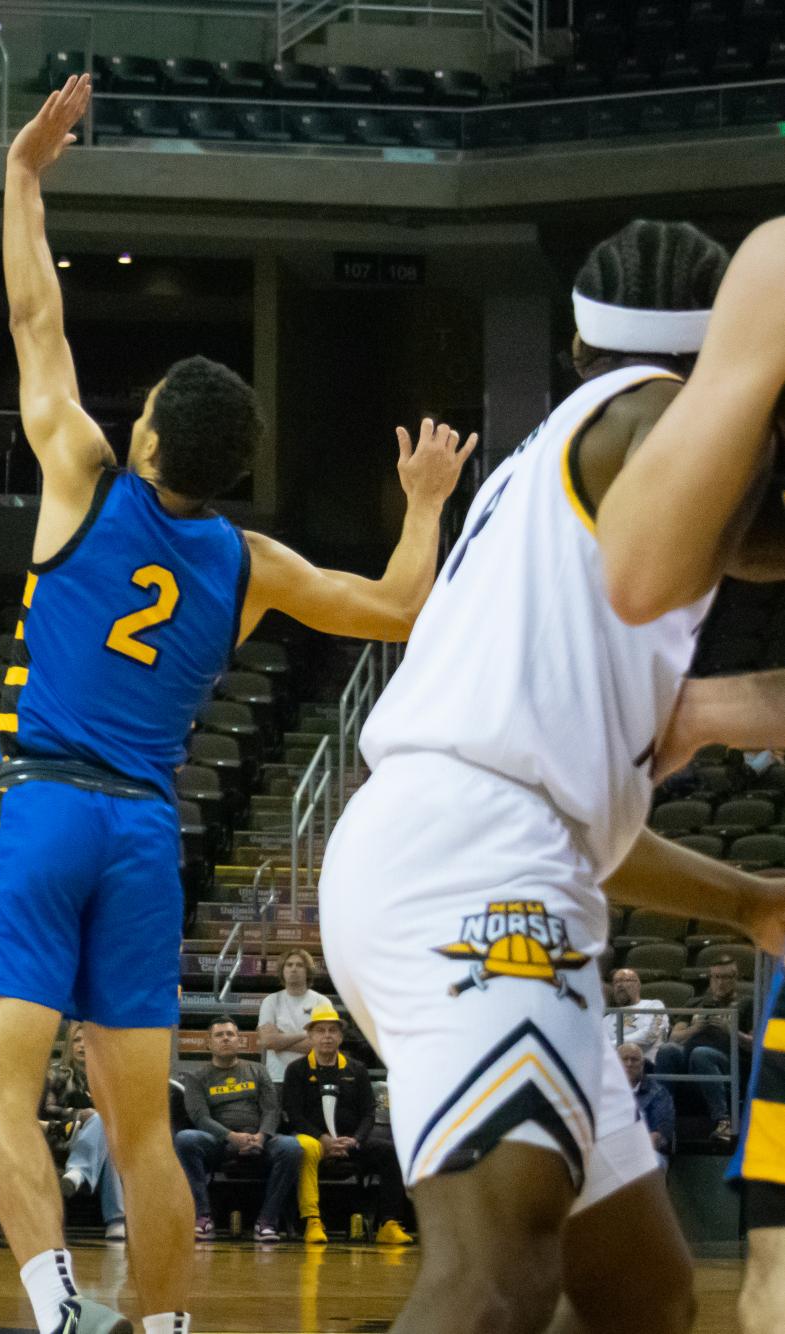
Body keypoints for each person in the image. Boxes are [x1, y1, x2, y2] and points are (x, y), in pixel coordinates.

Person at [0, 76, 475, 1334]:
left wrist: (25, 177)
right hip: (144, 837)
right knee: (146, 1129)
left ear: (142, 444)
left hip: (44, 810)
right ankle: (167, 1327)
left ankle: (56, 1303)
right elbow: (402, 609)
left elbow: (36, 313)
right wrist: (422, 499)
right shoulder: (253, 567)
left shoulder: (78, 472)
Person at [317, 219, 785, 1334]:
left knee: (640, 1294)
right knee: (498, 1271)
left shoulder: (544, 477)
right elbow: (748, 526)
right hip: (471, 865)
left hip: (504, 857)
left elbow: (596, 833)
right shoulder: (647, 416)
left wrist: (751, 902)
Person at [278, 1006, 412, 1246]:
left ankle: (388, 1223)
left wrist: (356, 1139)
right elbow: (294, 1114)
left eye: (332, 1031)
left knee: (391, 1152)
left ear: (340, 1037)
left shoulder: (356, 1069)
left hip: (351, 1141)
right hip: (314, 1140)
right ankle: (312, 1220)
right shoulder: (296, 1070)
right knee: (305, 1149)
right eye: (320, 1031)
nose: (327, 1036)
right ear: (310, 1036)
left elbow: (369, 1113)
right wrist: (322, 1138)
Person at [174, 1019, 301, 1243]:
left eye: (231, 1034)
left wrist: (261, 1136)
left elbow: (272, 1110)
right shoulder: (196, 1077)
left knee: (291, 1146)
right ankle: (203, 1217)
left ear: (239, 1041)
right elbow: (199, 1117)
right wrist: (232, 1137)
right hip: (218, 1142)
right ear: (208, 1044)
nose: (225, 1039)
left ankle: (267, 1222)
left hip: (258, 1139)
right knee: (185, 1139)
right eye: (219, 1035)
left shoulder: (258, 1071)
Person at [654, 959, 754, 1141]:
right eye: (716, 977)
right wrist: (696, 1027)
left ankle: (723, 1121)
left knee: (701, 1053)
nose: (721, 982)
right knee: (667, 1050)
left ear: (735, 978)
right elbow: (674, 1037)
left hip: (729, 1063)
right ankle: (661, 1119)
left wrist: (729, 1030)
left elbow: (754, 1043)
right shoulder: (695, 1003)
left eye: (726, 977)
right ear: (710, 978)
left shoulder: (747, 1003)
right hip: (691, 1059)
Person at [50, 1025, 126, 1242]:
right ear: (68, 1046)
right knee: (101, 1123)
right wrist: (77, 1114)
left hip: (107, 1141)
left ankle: (77, 1173)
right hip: (65, 1136)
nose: (83, 1045)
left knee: (105, 1130)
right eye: (77, 1040)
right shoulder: (56, 1074)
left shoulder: (110, 1076)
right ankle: (116, 1220)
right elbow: (47, 1110)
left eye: (89, 1041)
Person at [257, 950, 329, 1084]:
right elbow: (267, 1041)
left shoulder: (321, 1001)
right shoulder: (271, 1001)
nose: (293, 969)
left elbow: (322, 1044)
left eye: (299, 965)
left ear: (308, 971)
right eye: (289, 965)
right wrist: (305, 1034)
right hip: (278, 1077)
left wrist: (279, 1041)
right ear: (282, 970)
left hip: (313, 1077)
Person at [618, 1043, 676, 1171]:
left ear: (642, 1064)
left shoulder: (659, 1093)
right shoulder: (603, 1093)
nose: (629, 1064)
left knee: (651, 1162)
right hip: (610, 1154)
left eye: (634, 1059)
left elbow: (659, 1134)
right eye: (624, 1059)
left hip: (646, 1153)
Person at [606, 968, 669, 1068]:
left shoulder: (654, 1005)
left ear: (638, 985)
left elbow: (650, 1035)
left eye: (624, 980)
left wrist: (612, 1044)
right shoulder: (607, 1019)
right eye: (615, 982)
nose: (619, 985)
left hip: (646, 1065)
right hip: (614, 1068)